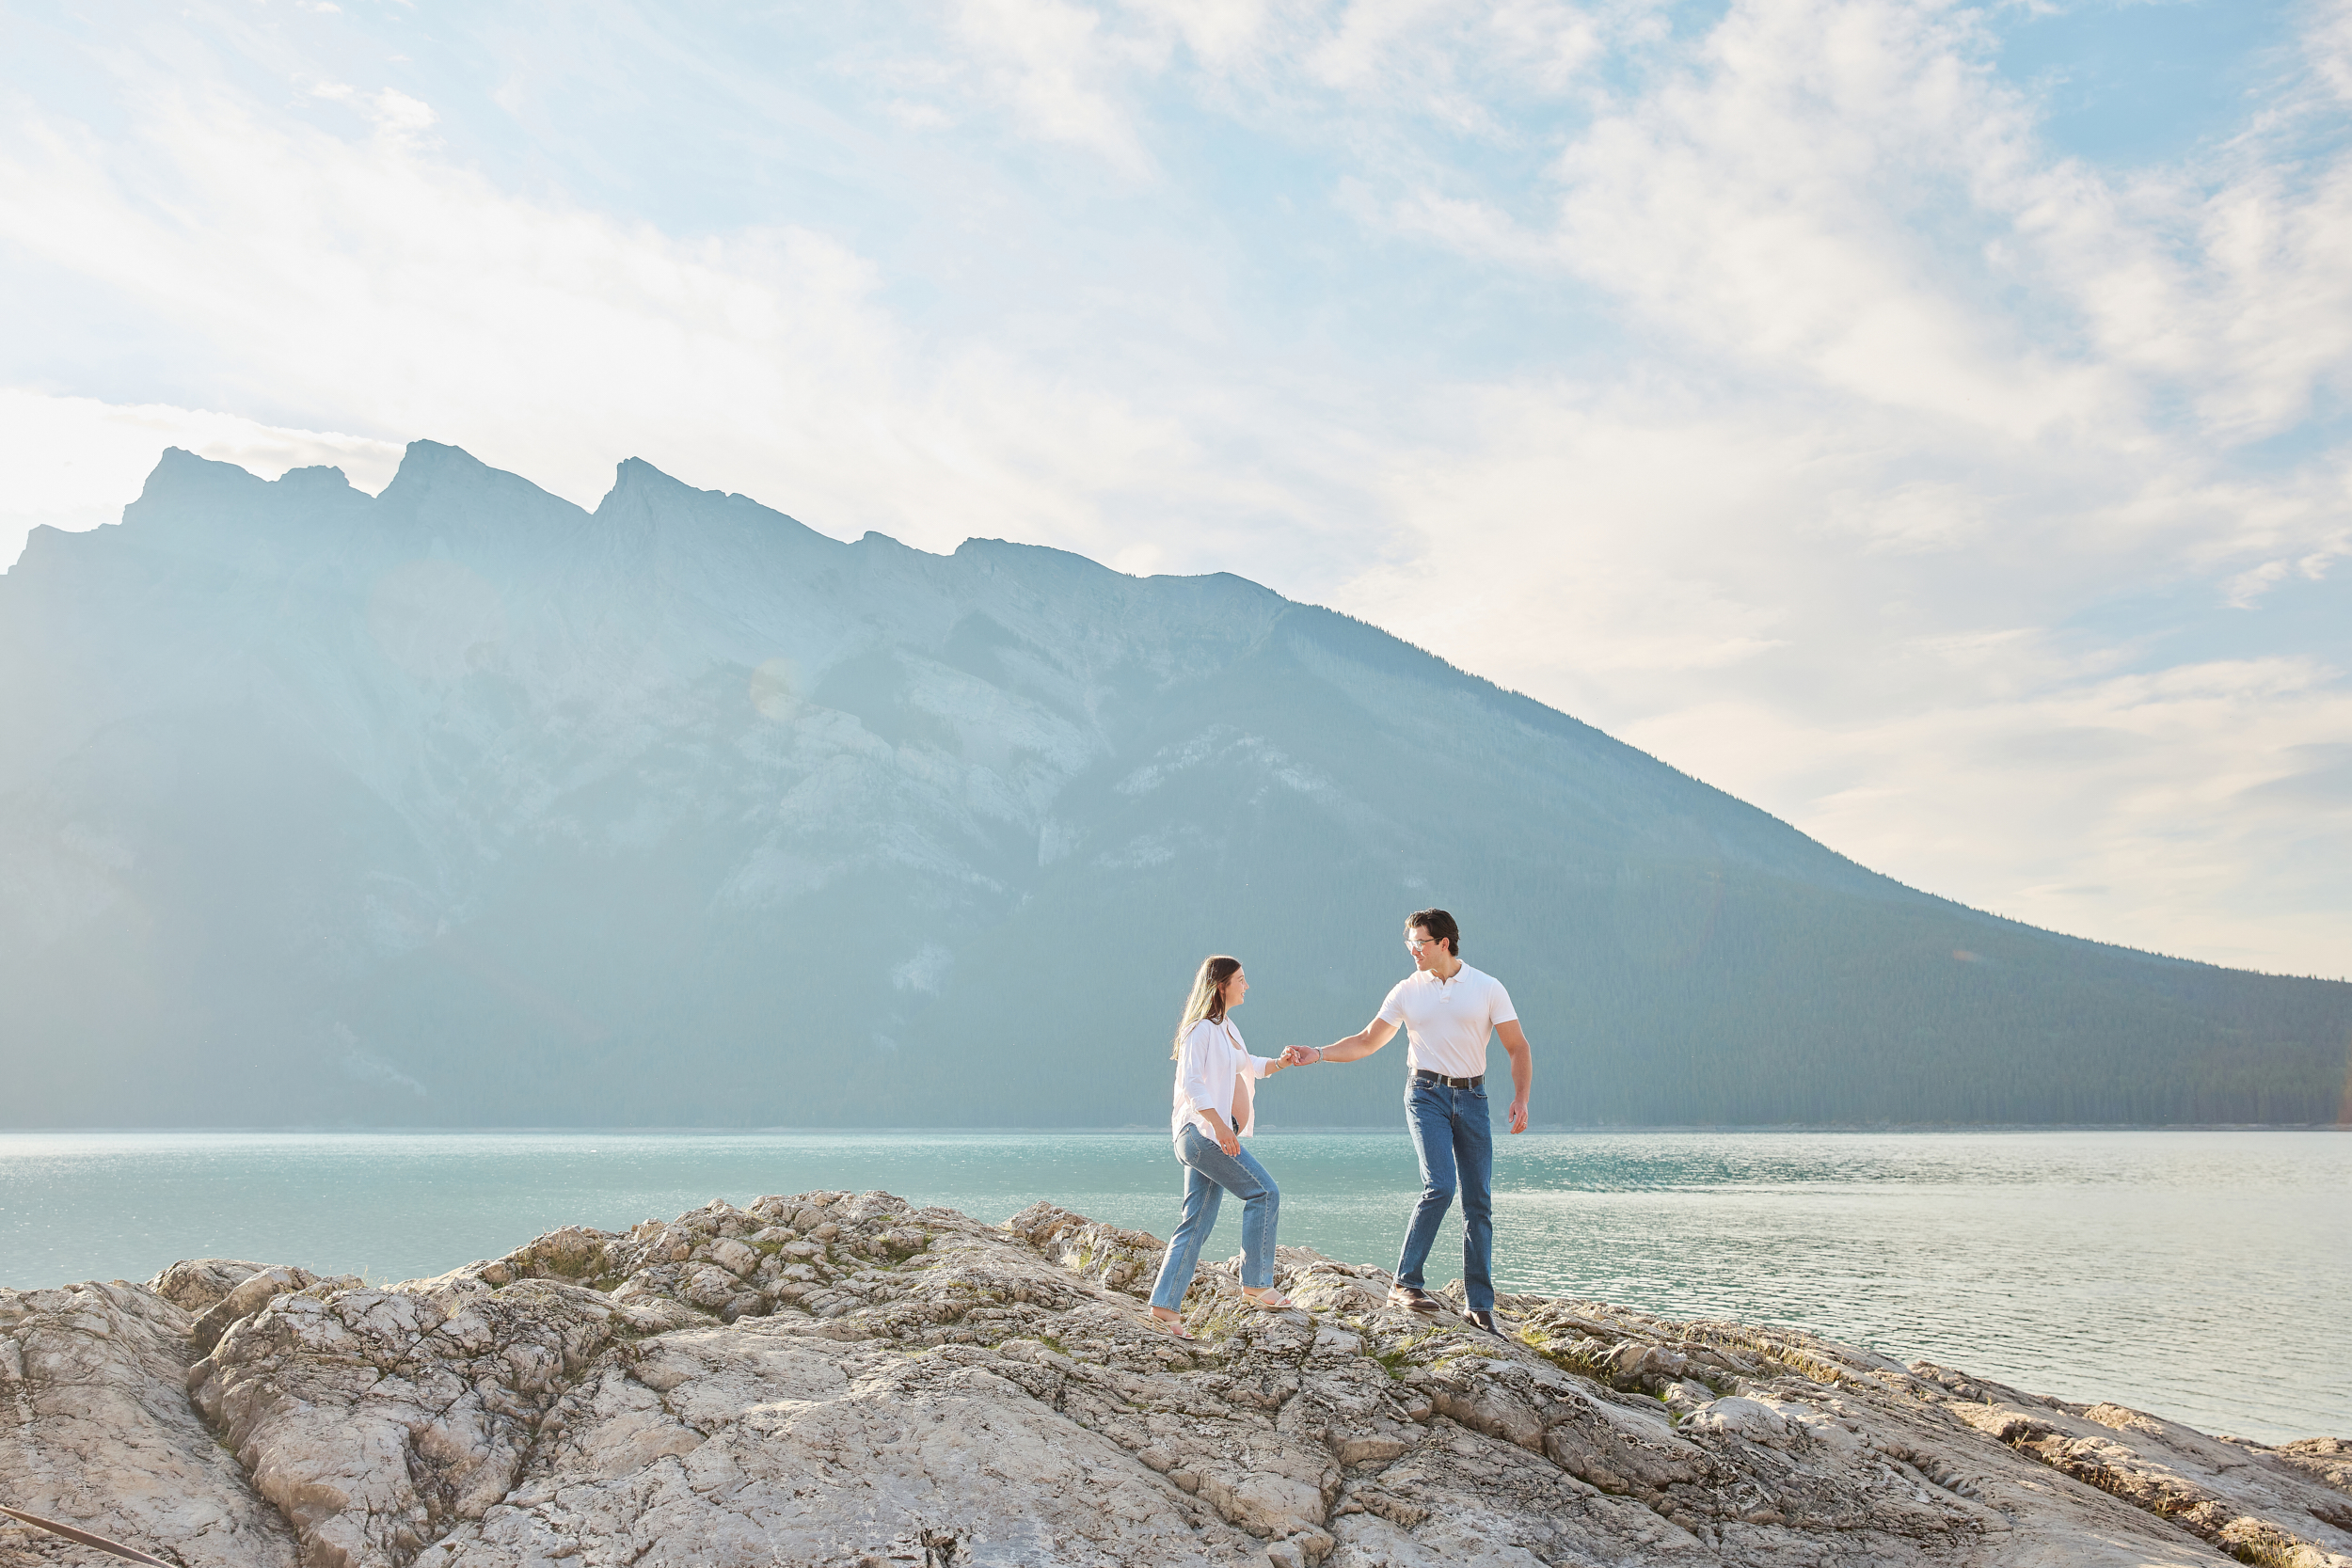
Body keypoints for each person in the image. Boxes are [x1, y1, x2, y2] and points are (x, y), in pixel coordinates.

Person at [1283, 909, 1532, 1336]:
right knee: (1441, 1185)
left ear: (1444, 944)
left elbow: (1517, 1047)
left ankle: (1480, 1306)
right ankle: (1404, 1283)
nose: (1413, 950)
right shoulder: (1407, 990)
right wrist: (1318, 1053)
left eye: (1420, 943)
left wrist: (1521, 1098)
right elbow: (1367, 1040)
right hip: (1425, 1094)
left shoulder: (1487, 987)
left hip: (1473, 1098)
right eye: (1409, 943)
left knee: (1478, 1201)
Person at [1148, 954, 1297, 1336]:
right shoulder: (1199, 1030)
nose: (1247, 986)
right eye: (1241, 980)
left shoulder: (1226, 1028)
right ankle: (1257, 1284)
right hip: (1203, 1134)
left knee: (1196, 1222)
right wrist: (1220, 1126)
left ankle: (1164, 1309)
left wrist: (1281, 1062)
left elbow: (1250, 1065)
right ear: (1221, 985)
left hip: (1210, 1134)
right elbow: (1192, 1083)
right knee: (1264, 1192)